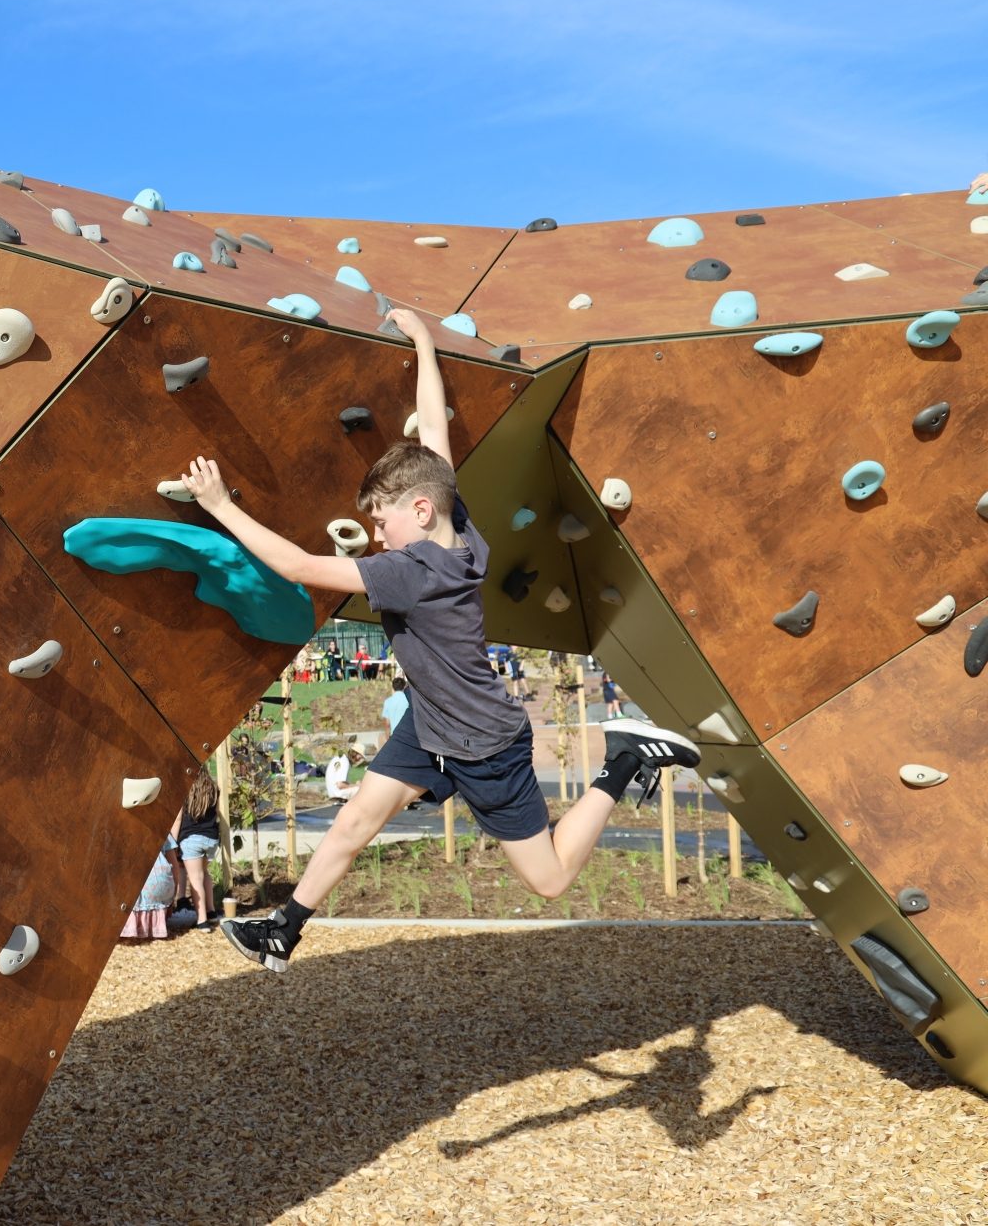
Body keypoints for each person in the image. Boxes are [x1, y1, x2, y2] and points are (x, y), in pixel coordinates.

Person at [179, 306, 702, 973]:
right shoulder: (462, 534)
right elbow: (434, 436)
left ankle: (623, 759)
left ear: (420, 511)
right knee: (355, 820)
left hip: (484, 743)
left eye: (381, 520)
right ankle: (285, 928)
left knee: (548, 877)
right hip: (431, 724)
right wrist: (425, 343)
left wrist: (221, 504)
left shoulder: (411, 570)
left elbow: (303, 569)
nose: (375, 535)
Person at [170, 774, 223, 932]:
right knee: (204, 873)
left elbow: (178, 818)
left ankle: (202, 921)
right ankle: (211, 911)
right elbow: (217, 813)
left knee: (195, 878)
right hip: (211, 838)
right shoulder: (214, 789)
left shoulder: (185, 789)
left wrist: (172, 842)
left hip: (191, 838)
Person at [120, 835, 183, 940]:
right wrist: (173, 894)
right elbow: (175, 866)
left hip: (130, 894)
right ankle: (154, 926)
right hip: (160, 884)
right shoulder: (163, 831)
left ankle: (130, 926)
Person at [380, 676, 409, 743]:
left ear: (393, 687)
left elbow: (387, 724)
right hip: (407, 736)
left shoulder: (388, 701)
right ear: (404, 687)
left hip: (394, 737)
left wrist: (388, 739)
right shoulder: (408, 701)